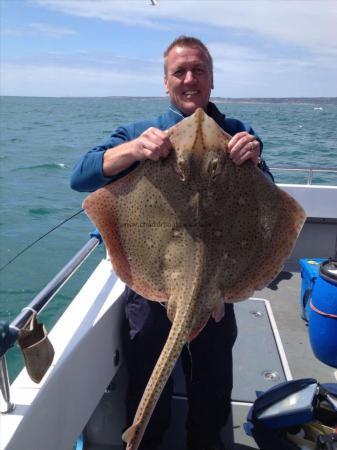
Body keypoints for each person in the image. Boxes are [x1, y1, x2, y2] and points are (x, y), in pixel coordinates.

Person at [71, 36, 273, 450]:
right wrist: (133, 150)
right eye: (179, 71)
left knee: (212, 396)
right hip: (153, 286)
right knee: (148, 389)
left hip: (216, 288)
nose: (189, 78)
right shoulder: (139, 133)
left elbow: (271, 203)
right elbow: (82, 177)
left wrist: (254, 160)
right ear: (166, 83)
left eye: (198, 70)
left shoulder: (237, 133)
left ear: (212, 80)